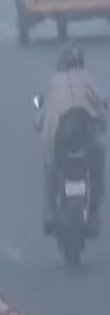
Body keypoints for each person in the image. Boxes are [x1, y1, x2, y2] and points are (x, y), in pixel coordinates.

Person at [41, 43, 108, 234]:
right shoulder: (86, 78)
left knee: (51, 166)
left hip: (61, 136)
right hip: (85, 134)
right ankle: (94, 210)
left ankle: (51, 209)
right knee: (98, 163)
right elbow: (100, 106)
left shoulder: (54, 81)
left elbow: (43, 116)